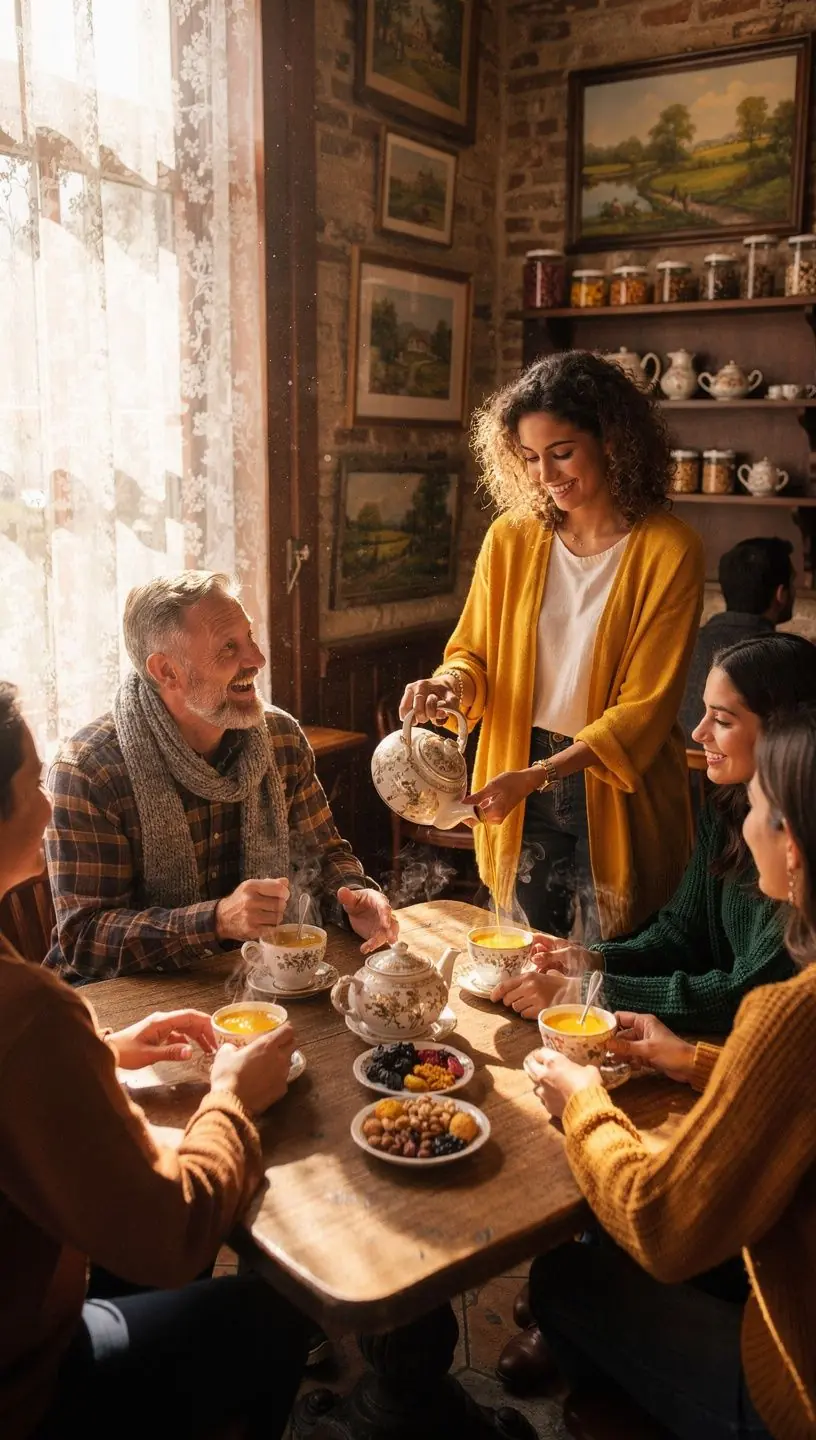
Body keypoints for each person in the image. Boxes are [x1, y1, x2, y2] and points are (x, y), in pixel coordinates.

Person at [0, 682, 308, 1440]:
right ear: (166, 671)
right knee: (275, 1310)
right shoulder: (30, 1008)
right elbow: (171, 1231)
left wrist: (101, 1052)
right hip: (25, 1388)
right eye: (30, 783)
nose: (45, 807)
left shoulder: (276, 740)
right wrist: (231, 1097)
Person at [517, 704, 816, 1440]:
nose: (746, 822)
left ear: (796, 848)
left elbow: (662, 1222)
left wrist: (584, 1101)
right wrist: (701, 1062)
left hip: (793, 1394)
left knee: (562, 1279)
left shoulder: (791, 1013)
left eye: (761, 807)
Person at [401, 351, 704, 943]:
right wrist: (450, 686)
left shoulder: (671, 550)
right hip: (516, 770)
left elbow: (647, 707)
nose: (545, 475)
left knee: (599, 969)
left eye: (561, 452)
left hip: (615, 789)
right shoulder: (511, 538)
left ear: (613, 440)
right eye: (531, 457)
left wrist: (539, 774)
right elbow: (473, 656)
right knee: (522, 955)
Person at [45, 571, 396, 981]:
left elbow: (326, 856)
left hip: (247, 983)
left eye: (249, 637)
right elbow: (84, 940)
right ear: (167, 671)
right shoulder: (88, 770)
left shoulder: (281, 739)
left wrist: (355, 896)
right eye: (229, 647)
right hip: (120, 1010)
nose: (257, 660)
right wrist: (215, 921)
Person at [492, 633, 816, 1037]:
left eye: (722, 719)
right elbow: (681, 933)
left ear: (785, 730)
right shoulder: (729, 808)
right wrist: (593, 960)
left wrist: (586, 991)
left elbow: (750, 995)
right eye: (703, 713)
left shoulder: (798, 845)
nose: (698, 733)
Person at [681, 537, 795, 745]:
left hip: (681, 773)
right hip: (742, 774)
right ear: (781, 594)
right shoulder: (787, 658)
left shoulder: (684, 641)